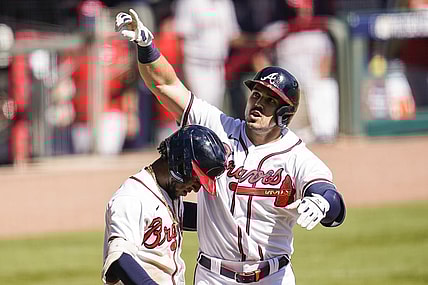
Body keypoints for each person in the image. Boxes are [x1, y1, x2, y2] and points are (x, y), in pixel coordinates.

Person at [115, 9, 346, 284]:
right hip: (214, 276)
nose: (258, 103)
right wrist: (146, 46)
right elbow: (165, 85)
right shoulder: (218, 126)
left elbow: (331, 199)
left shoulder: (296, 156)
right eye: (256, 94)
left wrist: (322, 201)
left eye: (270, 100)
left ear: (285, 112)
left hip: (273, 276)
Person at [101, 124, 227, 285]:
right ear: (180, 164)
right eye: (196, 179)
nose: (197, 188)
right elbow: (120, 257)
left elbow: (180, 216)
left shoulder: (167, 192)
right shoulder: (132, 198)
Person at [174, 0, 241, 109]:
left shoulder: (225, 3)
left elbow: (233, 36)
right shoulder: (188, 2)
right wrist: (182, 72)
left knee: (214, 113)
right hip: (196, 66)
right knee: (198, 113)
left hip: (217, 67)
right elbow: (179, 38)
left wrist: (257, 40)